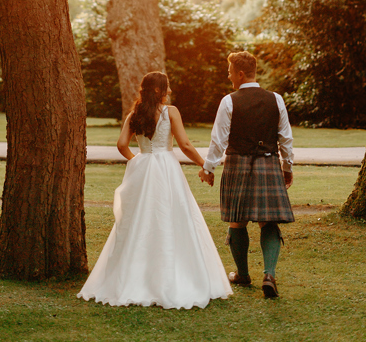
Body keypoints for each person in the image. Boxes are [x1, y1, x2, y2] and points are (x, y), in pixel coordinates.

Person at [77, 71, 232, 309]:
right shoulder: (171, 112)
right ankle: (172, 275)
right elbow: (186, 145)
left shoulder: (134, 114)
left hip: (143, 166)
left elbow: (121, 145)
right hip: (166, 168)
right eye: (167, 87)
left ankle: (135, 276)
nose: (170, 91)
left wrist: (137, 160)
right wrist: (205, 166)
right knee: (172, 215)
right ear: (159, 90)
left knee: (140, 219)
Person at [198, 51, 295, 299]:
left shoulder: (229, 101)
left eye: (229, 71)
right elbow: (286, 138)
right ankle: (269, 274)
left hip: (238, 164)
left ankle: (242, 274)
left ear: (240, 74)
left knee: (237, 220)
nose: (228, 75)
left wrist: (208, 168)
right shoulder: (276, 99)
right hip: (268, 163)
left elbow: (218, 140)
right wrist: (287, 168)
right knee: (269, 220)